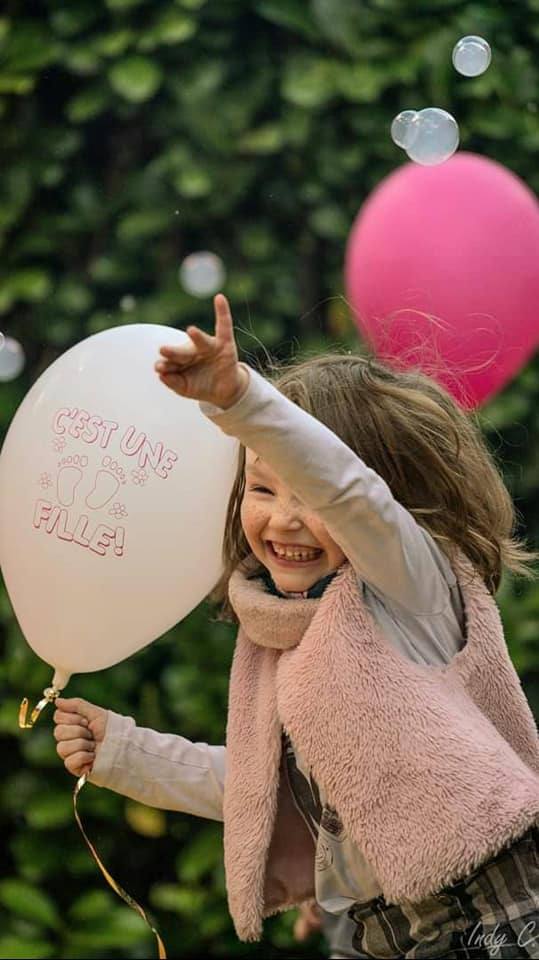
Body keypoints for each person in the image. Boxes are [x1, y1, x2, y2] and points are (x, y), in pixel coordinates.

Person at [54, 293, 539, 959]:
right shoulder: (278, 632)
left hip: (493, 916)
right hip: (380, 934)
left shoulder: (409, 587)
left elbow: (349, 490)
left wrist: (241, 402)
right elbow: (264, 786)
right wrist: (127, 753)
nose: (283, 520)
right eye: (262, 489)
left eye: (308, 496)